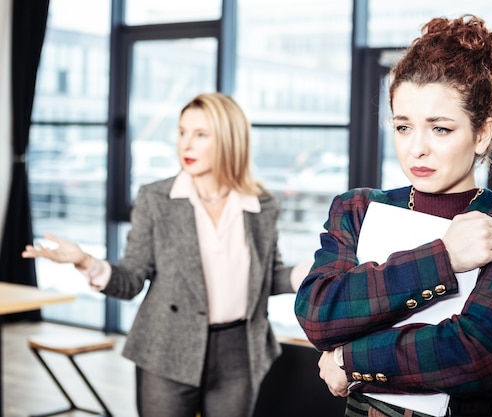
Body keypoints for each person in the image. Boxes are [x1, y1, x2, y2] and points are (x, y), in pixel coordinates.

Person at [294, 15, 492, 417]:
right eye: (403, 127)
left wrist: (348, 359)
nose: (417, 149)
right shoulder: (359, 209)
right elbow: (318, 313)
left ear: (481, 133)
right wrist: (444, 258)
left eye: (440, 129)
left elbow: (477, 356)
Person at [23, 92, 312, 417]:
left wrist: (310, 271)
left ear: (230, 140)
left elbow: (265, 277)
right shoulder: (155, 199)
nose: (186, 144)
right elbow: (131, 278)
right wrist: (84, 261)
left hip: (239, 352)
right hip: (167, 347)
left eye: (201, 135)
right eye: (182, 132)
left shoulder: (261, 205)